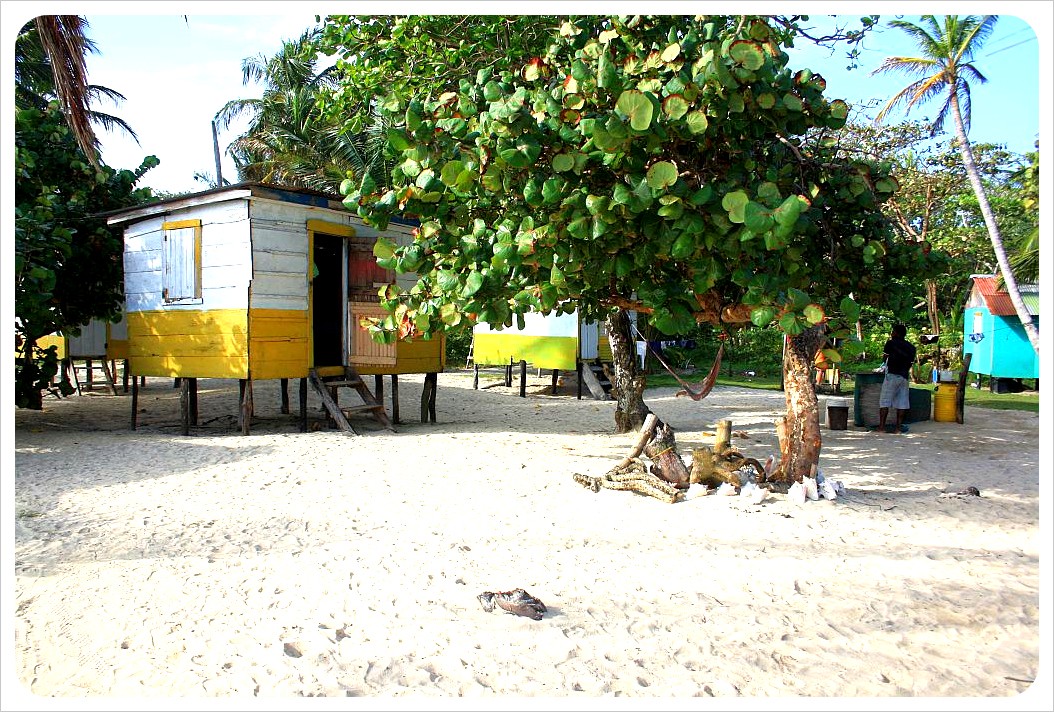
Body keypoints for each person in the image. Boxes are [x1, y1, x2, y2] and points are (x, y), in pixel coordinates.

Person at [876, 323, 917, 434]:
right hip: (904, 377)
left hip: (891, 375)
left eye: (893, 331)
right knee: (902, 403)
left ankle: (881, 427)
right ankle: (898, 429)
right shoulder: (911, 347)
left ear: (896, 333)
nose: (891, 333)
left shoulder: (891, 343)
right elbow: (910, 363)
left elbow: (885, 358)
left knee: (884, 401)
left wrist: (884, 365)